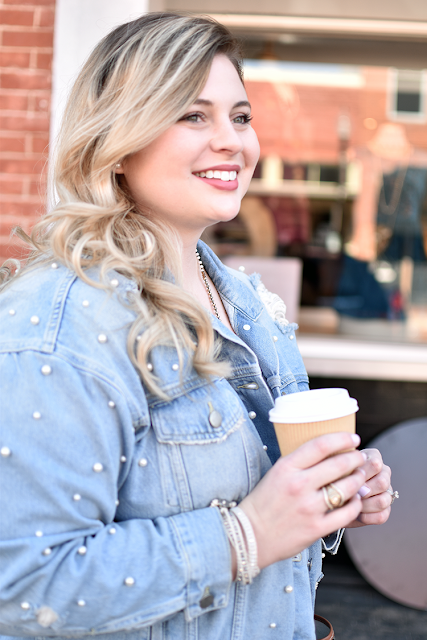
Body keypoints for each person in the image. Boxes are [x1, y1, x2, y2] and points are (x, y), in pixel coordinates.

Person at [0, 13, 393, 640]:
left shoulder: (248, 303)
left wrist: (330, 497)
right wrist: (247, 534)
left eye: (240, 116)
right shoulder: (61, 323)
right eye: (192, 115)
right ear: (119, 142)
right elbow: (21, 587)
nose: (233, 141)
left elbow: (275, 526)